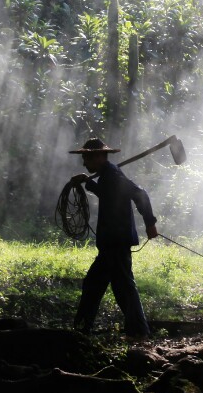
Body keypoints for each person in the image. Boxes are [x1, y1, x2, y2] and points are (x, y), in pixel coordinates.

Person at [68, 136, 159, 340]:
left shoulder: (113, 175)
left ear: (100, 157)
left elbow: (140, 194)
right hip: (111, 242)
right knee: (100, 284)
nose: (84, 162)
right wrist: (87, 182)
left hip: (116, 242)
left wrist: (150, 223)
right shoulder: (107, 176)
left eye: (88, 158)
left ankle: (137, 332)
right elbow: (108, 194)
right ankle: (82, 330)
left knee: (120, 287)